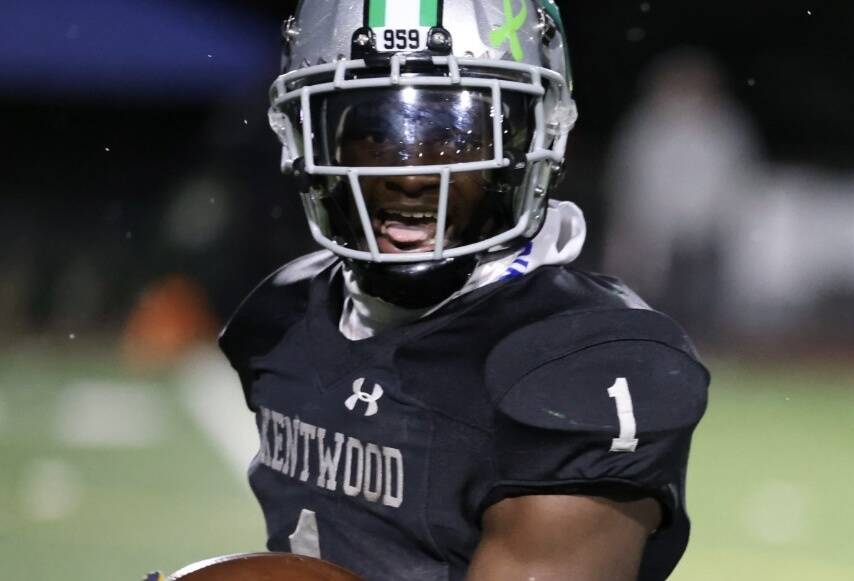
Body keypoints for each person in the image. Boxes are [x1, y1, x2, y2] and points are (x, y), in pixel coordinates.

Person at [219, 2, 708, 580]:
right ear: (308, 138)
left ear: (535, 135)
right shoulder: (283, 311)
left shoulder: (580, 359)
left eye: (454, 133)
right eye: (374, 132)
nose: (411, 172)